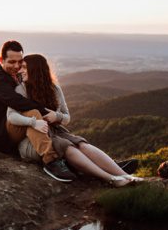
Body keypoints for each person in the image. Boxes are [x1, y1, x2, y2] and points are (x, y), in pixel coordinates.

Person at [7, 54, 143, 187]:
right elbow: (11, 116)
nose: (20, 70)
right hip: (34, 139)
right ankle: (111, 178)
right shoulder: (21, 90)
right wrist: (33, 122)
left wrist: (56, 116)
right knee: (67, 146)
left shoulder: (54, 89)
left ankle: (126, 176)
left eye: (24, 67)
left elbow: (67, 118)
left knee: (81, 144)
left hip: (56, 132)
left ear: (36, 70)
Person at [0, 40, 77, 182]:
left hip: (17, 125)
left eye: (20, 62)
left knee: (54, 129)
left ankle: (91, 163)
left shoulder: (18, 74)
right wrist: (45, 111)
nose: (16, 66)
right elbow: (19, 102)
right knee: (33, 113)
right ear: (1, 60)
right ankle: (51, 161)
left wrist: (56, 116)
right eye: (11, 62)